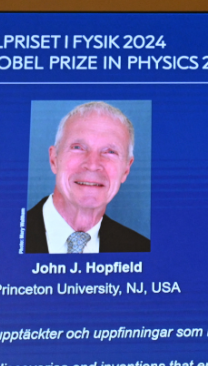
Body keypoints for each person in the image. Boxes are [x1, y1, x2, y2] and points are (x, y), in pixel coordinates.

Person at [25, 101, 150, 253]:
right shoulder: (3, 237)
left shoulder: (141, 249)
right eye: (78, 147)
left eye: (110, 151)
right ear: (54, 159)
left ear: (126, 169)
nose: (92, 164)